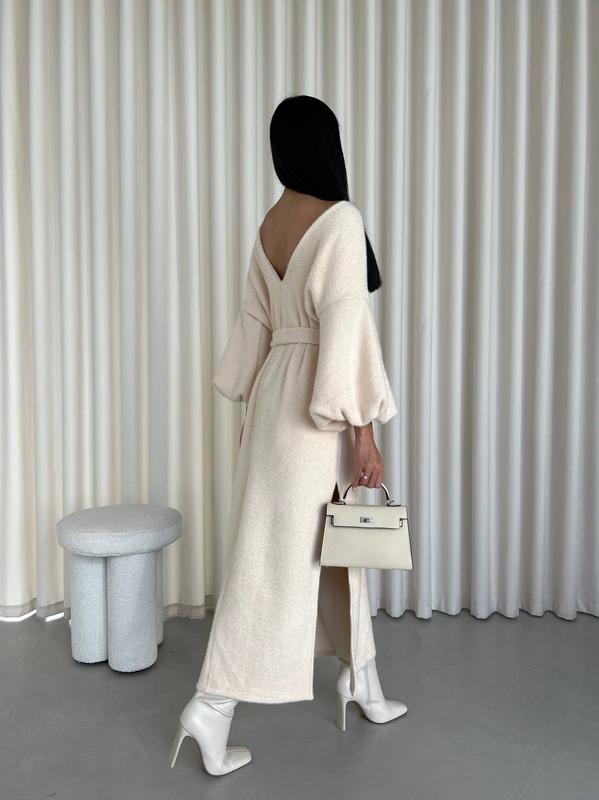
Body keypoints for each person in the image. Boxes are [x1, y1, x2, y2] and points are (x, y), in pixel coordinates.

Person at [170, 95, 407, 777]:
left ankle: (362, 680)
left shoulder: (269, 226)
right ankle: (212, 704)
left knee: (334, 543)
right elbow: (346, 328)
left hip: (274, 396)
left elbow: (255, 326)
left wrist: (252, 401)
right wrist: (362, 432)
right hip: (314, 409)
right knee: (276, 559)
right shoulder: (340, 219)